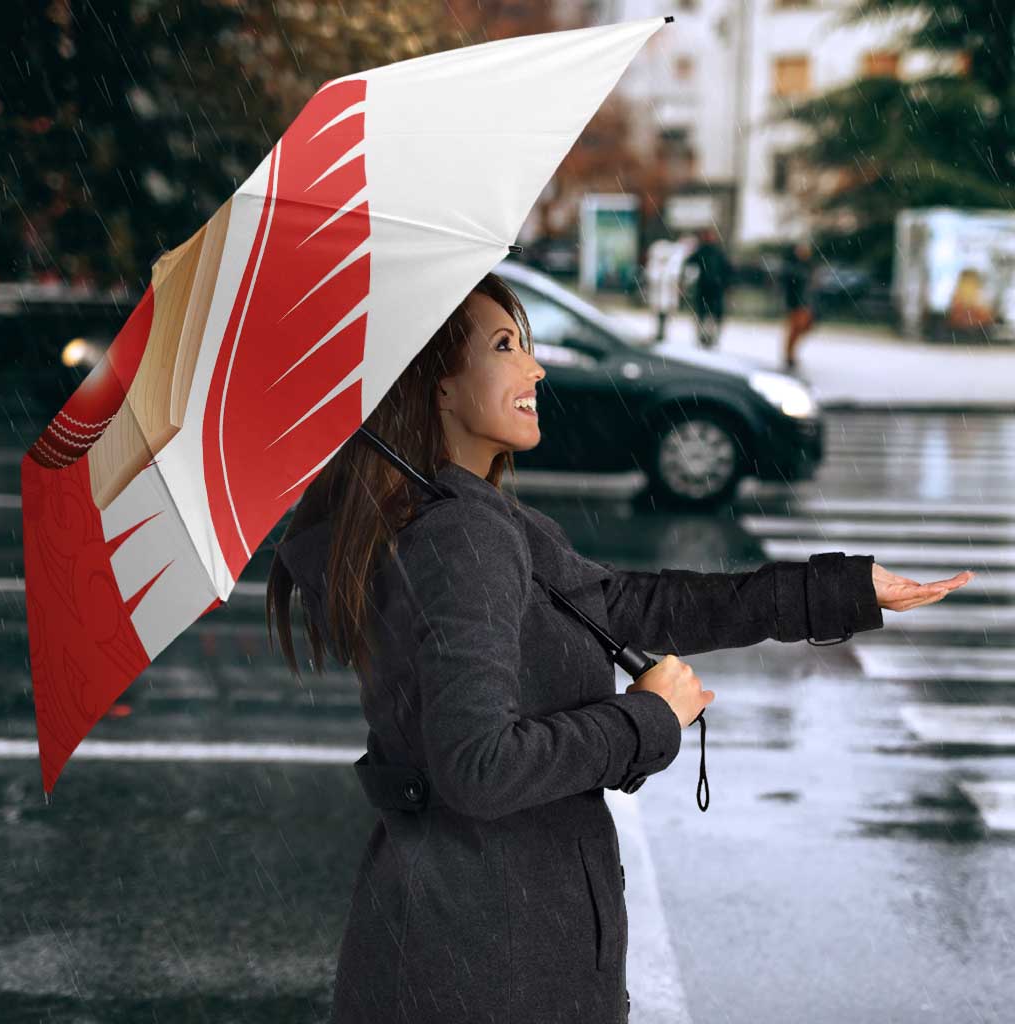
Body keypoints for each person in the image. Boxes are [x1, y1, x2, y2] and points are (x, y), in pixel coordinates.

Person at [267, 271, 969, 1024]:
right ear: (436, 386)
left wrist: (840, 591)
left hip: (470, 942)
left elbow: (631, 605)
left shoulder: (468, 517)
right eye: (505, 346)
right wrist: (646, 719)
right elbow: (478, 767)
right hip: (489, 962)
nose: (535, 368)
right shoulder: (460, 536)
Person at [683, 226, 733, 349]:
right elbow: (689, 264)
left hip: (714, 288)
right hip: (706, 288)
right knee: (704, 314)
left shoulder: (716, 252)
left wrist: (726, 284)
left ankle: (710, 337)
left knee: (711, 315)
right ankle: (704, 337)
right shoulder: (703, 251)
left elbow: (727, 270)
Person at [781, 239, 817, 370]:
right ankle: (789, 355)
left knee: (803, 328)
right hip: (796, 303)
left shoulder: (808, 266)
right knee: (795, 329)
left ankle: (790, 354)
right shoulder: (793, 267)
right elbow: (790, 286)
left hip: (805, 303)